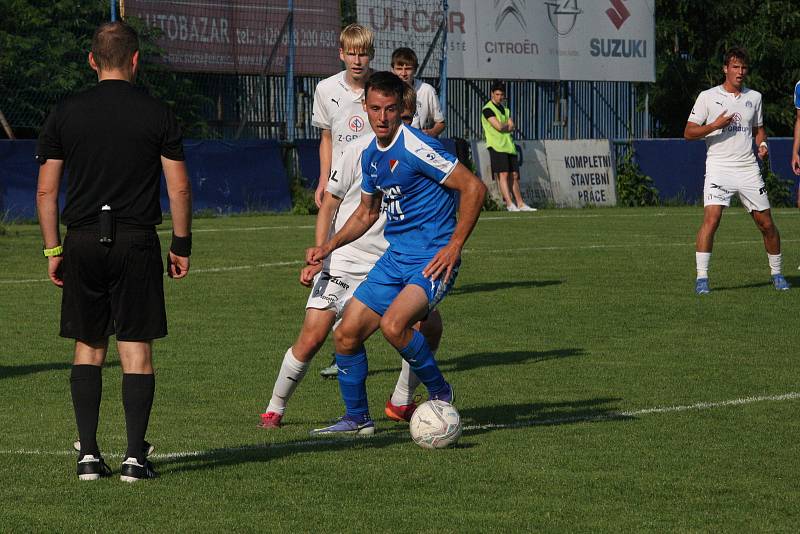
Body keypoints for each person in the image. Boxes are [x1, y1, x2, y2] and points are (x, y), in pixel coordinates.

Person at [35, 21, 192, 482]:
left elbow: (47, 193)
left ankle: (88, 456)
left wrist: (53, 249)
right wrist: (180, 245)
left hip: (82, 238)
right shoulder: (158, 112)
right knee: (135, 348)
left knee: (88, 346)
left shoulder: (66, 111)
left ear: (91, 60)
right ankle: (134, 459)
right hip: (136, 239)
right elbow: (178, 187)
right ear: (136, 60)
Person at [306, 72, 487, 436]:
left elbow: (474, 188)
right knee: (346, 334)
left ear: (401, 109)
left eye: (390, 109)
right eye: (375, 109)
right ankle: (357, 418)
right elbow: (366, 213)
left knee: (393, 326)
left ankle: (440, 393)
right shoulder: (372, 154)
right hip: (395, 258)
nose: (382, 117)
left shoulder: (418, 147)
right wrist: (328, 245)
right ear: (366, 108)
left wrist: (454, 246)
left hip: (432, 258)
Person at [259, 87, 442, 429]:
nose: (392, 120)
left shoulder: (418, 153)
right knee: (313, 335)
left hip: (390, 262)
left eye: (403, 115)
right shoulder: (358, 151)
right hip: (344, 257)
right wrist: (319, 254)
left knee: (429, 326)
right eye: (383, 111)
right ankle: (275, 407)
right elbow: (331, 204)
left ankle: (400, 402)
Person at [685, 47, 789, 294]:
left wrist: (762, 144)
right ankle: (702, 279)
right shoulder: (708, 97)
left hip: (747, 168)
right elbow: (689, 132)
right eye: (735, 67)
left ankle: (777, 274)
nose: (740, 72)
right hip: (719, 167)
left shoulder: (755, 97)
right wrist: (715, 125)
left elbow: (758, 129)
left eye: (743, 68)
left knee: (766, 224)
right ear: (725, 69)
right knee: (712, 219)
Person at [311, 23, 376, 378]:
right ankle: (342, 347)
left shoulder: (381, 89)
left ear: (371, 55)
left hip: (378, 195)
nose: (356, 59)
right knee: (333, 267)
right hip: (340, 191)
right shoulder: (326, 89)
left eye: (362, 53)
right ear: (341, 53)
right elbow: (326, 138)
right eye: (350, 53)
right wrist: (323, 177)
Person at [481, 81, 536, 212]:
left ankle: (520, 203)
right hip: (496, 146)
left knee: (515, 175)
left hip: (509, 146)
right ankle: (509, 204)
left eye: (502, 95)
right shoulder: (487, 109)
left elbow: (512, 126)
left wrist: (506, 126)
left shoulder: (505, 109)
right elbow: (499, 127)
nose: (500, 97)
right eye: (497, 94)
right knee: (504, 174)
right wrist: (506, 126)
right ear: (492, 94)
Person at [390, 47, 446, 137]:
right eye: (399, 69)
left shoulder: (427, 90)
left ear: (415, 69)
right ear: (392, 69)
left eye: (408, 69)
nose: (404, 73)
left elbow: (441, 123)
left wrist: (431, 132)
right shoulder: (386, 90)